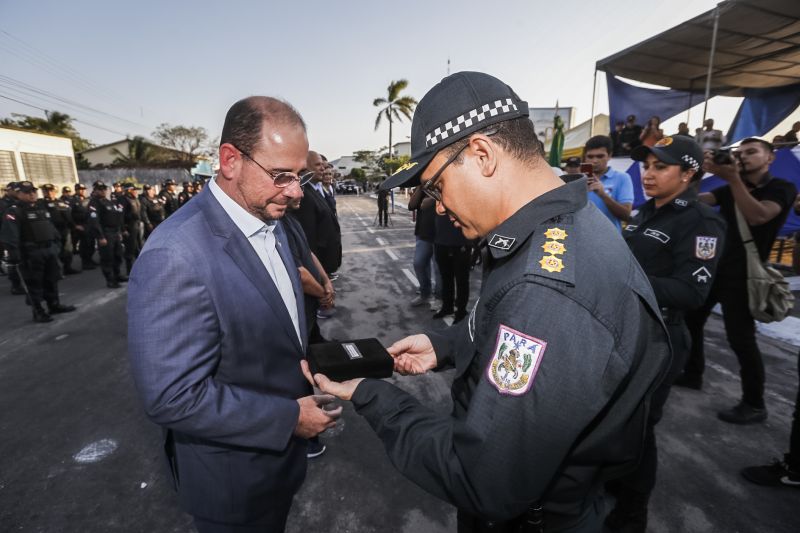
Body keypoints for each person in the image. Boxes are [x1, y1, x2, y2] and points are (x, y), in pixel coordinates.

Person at [303, 71, 670, 532]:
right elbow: (510, 323)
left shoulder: (547, 290)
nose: (438, 206)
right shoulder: (561, 226)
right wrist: (447, 345)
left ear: (482, 154)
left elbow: (486, 479)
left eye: (435, 186)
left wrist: (371, 395)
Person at [127, 96, 340, 533]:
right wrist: (289, 418)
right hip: (233, 484)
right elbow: (171, 396)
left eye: (299, 176)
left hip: (279, 467)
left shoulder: (276, 223)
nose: (296, 192)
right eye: (281, 176)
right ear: (229, 160)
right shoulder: (175, 255)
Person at [606, 136, 726, 532]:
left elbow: (692, 291)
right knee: (615, 421)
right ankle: (612, 490)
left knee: (638, 429)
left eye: (661, 166)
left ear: (688, 173)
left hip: (660, 338)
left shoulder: (701, 221)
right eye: (647, 165)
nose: (648, 173)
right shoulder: (645, 212)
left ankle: (631, 514)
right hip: (627, 330)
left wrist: (625, 281)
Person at [678, 138, 798, 424]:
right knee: (691, 322)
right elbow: (691, 201)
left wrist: (732, 178)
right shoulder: (729, 187)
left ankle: (754, 404)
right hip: (716, 270)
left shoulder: (781, 188)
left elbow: (759, 216)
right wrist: (698, 172)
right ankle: (693, 374)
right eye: (739, 153)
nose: (743, 157)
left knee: (741, 339)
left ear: (770, 158)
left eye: (751, 152)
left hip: (745, 277)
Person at [0, 181, 76, 322]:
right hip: (31, 253)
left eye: (33, 191)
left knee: (51, 279)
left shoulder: (40, 208)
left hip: (48, 250)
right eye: (27, 192)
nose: (32, 194)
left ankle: (54, 305)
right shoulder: (14, 211)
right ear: (19, 194)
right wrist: (14, 254)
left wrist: (56, 246)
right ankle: (38, 311)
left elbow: (51, 228)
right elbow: (10, 235)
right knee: (34, 282)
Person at [291, 151, 342, 280]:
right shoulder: (304, 194)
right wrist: (318, 274)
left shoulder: (314, 189)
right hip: (318, 266)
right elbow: (308, 239)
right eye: (318, 165)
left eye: (323, 165)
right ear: (305, 167)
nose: (323, 169)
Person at [583, 135, 634, 230]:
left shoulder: (622, 178)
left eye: (600, 156)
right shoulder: (578, 180)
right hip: (581, 236)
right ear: (585, 157)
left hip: (610, 237)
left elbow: (626, 215)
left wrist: (603, 195)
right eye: (590, 156)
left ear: (610, 156)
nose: (594, 161)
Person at [432, 212, 471, 322]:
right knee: (446, 278)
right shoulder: (437, 201)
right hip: (441, 241)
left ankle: (461, 311)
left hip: (461, 242)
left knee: (462, 280)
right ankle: (447, 307)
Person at [87, 181, 127, 288]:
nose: (103, 191)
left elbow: (116, 218)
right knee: (107, 257)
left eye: (104, 189)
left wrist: (119, 231)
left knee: (118, 255)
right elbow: (94, 221)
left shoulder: (108, 202)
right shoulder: (94, 203)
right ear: (95, 191)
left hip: (114, 232)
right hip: (105, 233)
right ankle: (110, 280)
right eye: (100, 189)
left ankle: (117, 275)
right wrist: (100, 236)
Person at [408, 186, 437, 306]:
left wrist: (434, 197)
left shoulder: (443, 185)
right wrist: (420, 188)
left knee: (439, 269)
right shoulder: (421, 189)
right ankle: (425, 293)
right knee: (419, 264)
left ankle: (441, 297)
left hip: (441, 234)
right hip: (423, 233)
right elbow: (411, 206)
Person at [41, 183, 79, 275]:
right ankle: (56, 271)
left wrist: (73, 226)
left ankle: (67, 267)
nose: (49, 193)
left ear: (54, 191)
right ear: (43, 192)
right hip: (51, 230)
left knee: (67, 250)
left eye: (51, 191)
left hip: (64, 229)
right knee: (54, 251)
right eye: (46, 191)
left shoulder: (60, 202)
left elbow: (68, 216)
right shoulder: (41, 204)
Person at [1, 182, 26, 294]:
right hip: (7, 236)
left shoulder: (18, 203)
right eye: (14, 190)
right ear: (9, 190)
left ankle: (24, 283)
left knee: (22, 260)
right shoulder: (2, 203)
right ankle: (16, 285)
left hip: (20, 235)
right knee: (13, 261)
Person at [119, 183, 149, 274]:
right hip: (129, 227)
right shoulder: (122, 200)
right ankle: (129, 271)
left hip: (137, 225)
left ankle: (140, 269)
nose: (136, 192)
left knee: (138, 247)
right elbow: (120, 216)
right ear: (129, 190)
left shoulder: (135, 198)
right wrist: (123, 229)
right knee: (130, 249)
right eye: (134, 190)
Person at [70, 184, 95, 270]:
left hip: (89, 225)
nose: (82, 191)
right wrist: (75, 226)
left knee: (91, 243)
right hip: (80, 225)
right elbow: (69, 215)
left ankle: (90, 259)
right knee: (85, 245)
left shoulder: (87, 199)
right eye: (80, 189)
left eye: (83, 189)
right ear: (76, 190)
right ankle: (85, 262)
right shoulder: (72, 200)